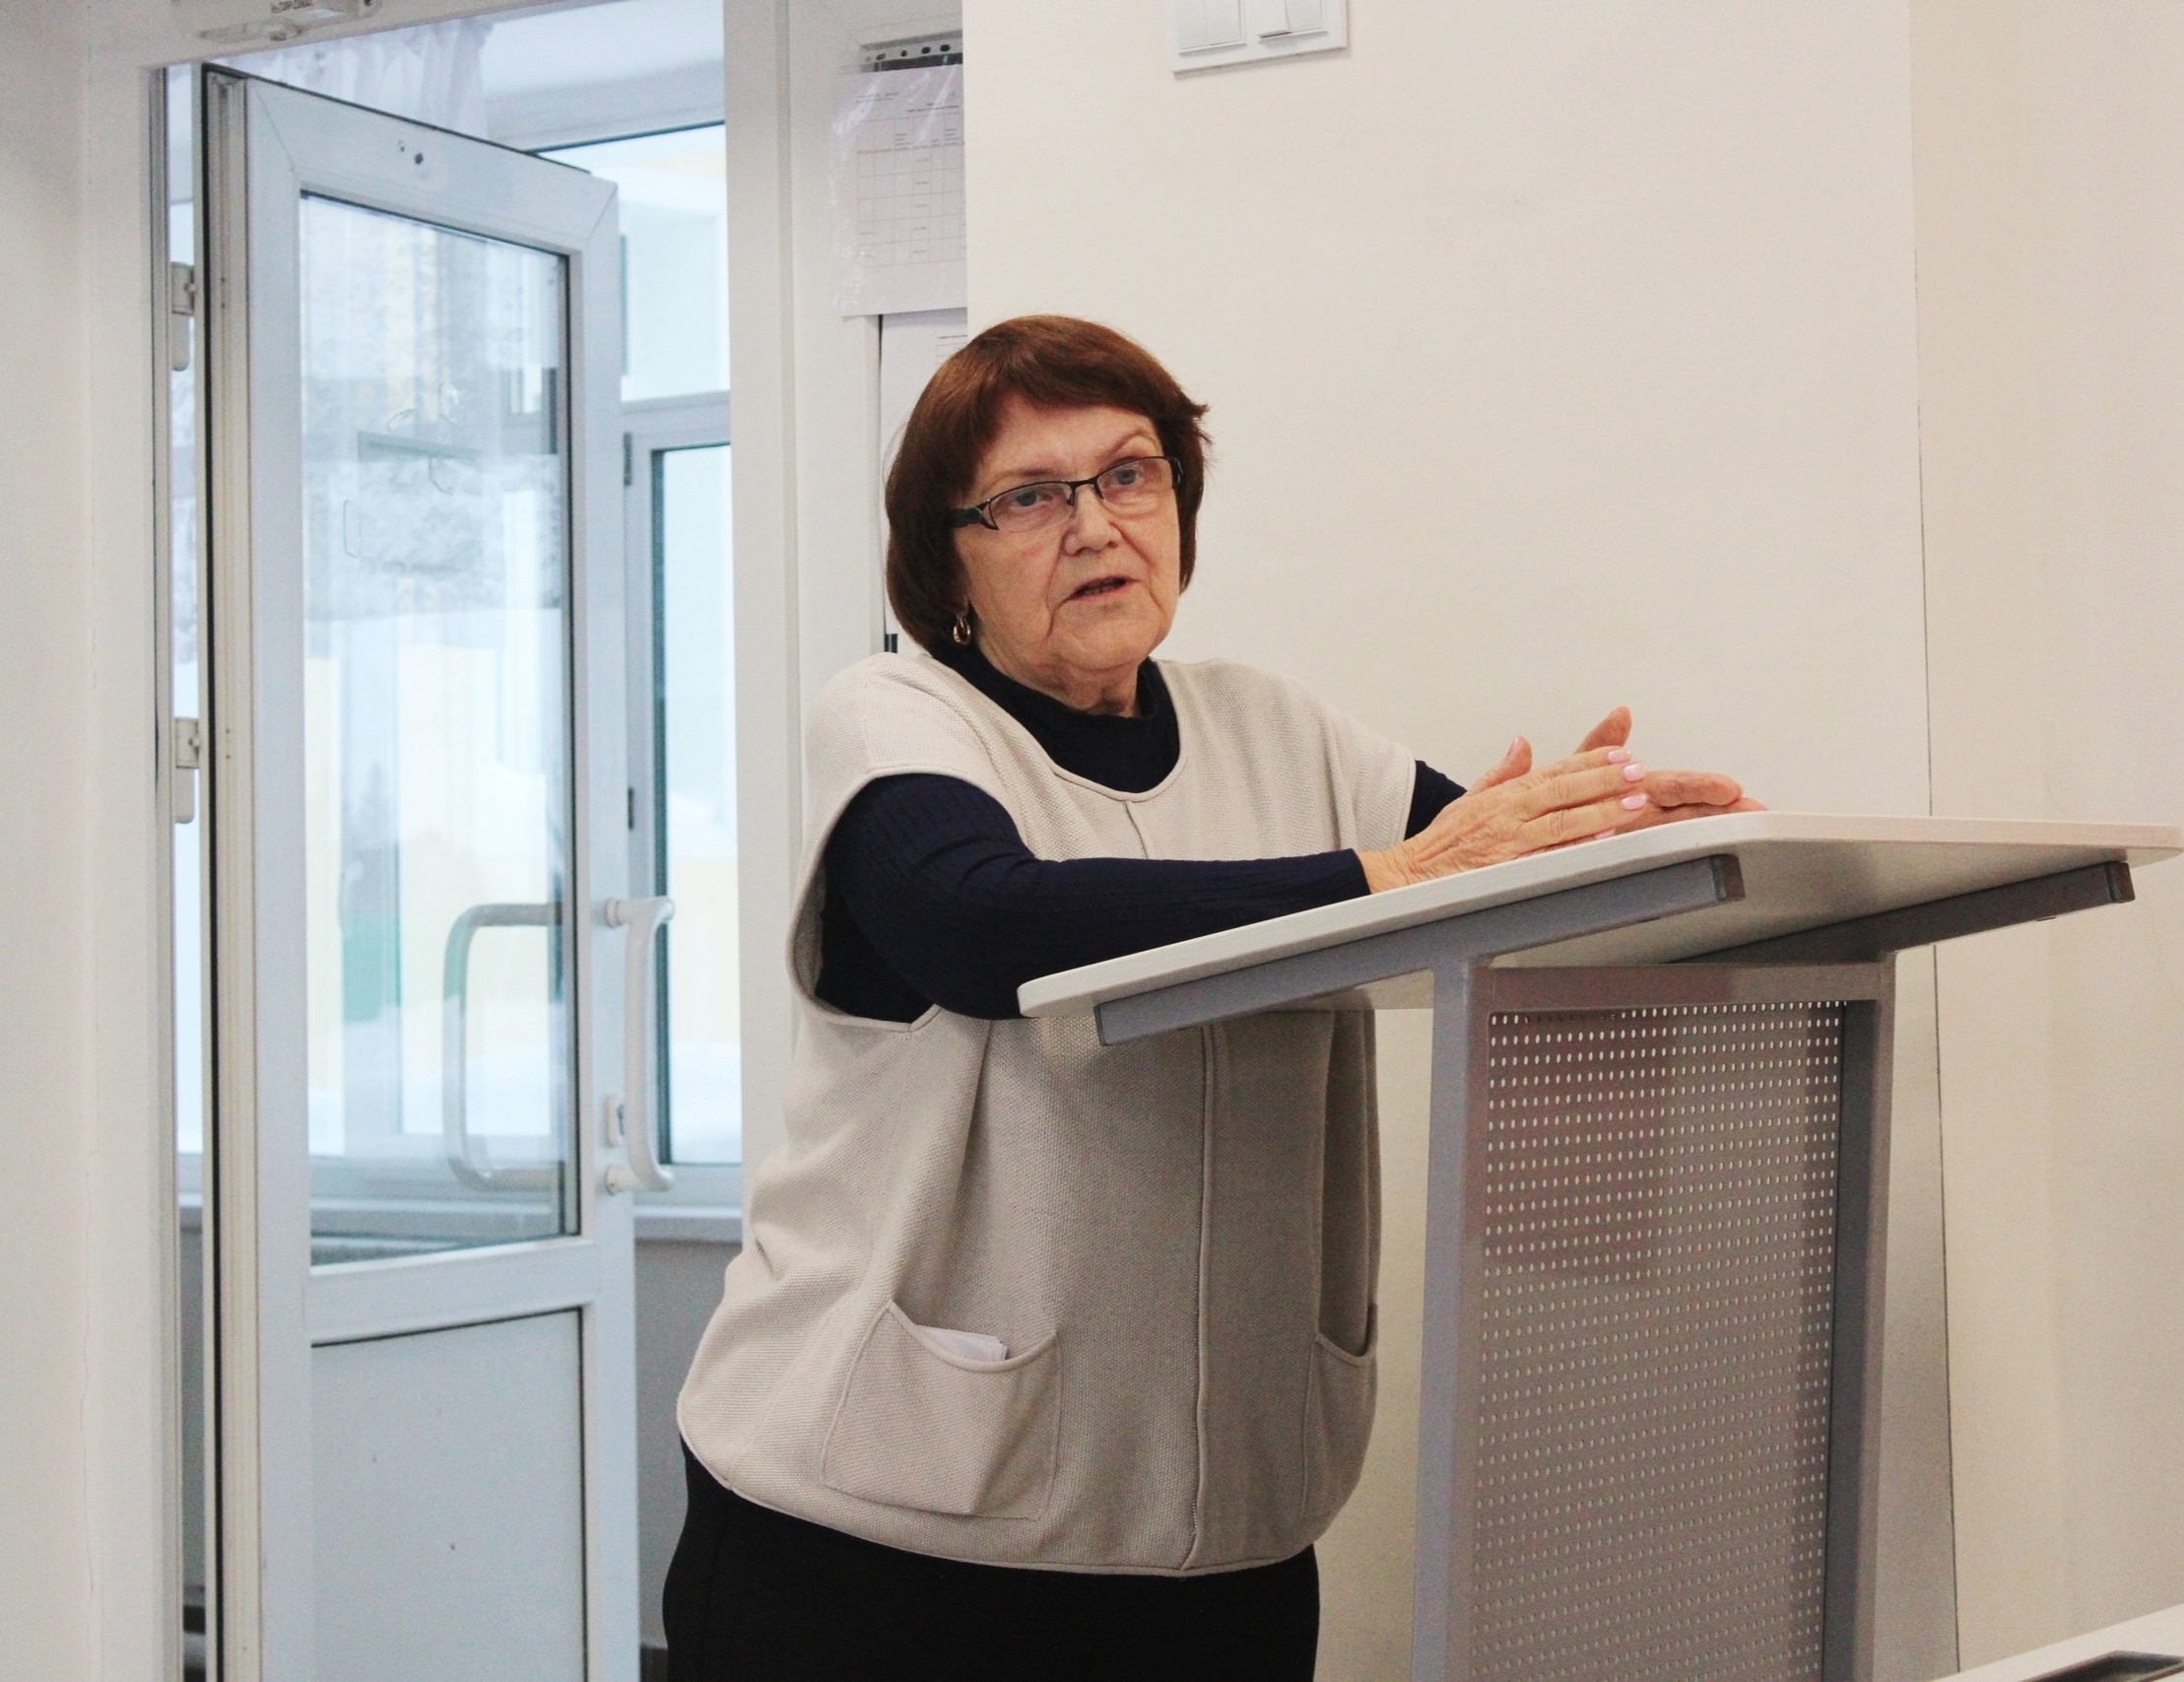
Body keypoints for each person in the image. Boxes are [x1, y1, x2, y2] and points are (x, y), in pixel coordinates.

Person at [665, 315, 1757, 1681]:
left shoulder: (1279, 729)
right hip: (877, 1536)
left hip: (1220, 1540)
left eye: (1130, 475)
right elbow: (982, 928)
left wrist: (1625, 841)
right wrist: (1399, 873)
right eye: (1028, 498)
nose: (1095, 525)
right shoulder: (899, 715)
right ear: (947, 565)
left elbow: (1484, 878)